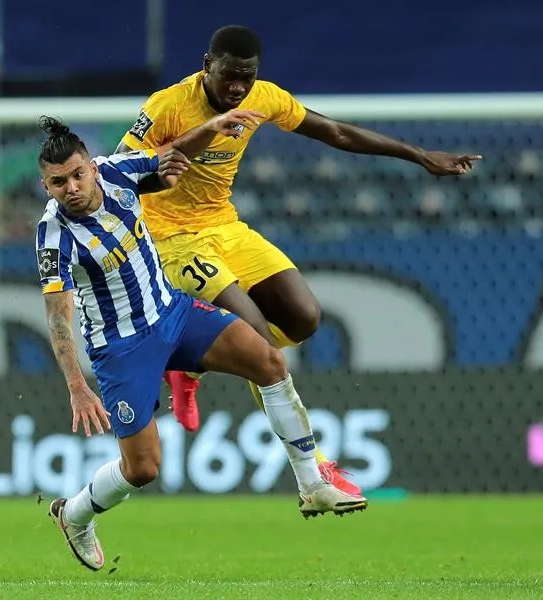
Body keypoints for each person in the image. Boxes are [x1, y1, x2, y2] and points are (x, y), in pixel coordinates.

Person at [117, 24, 481, 494]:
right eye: (228, 75)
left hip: (226, 227)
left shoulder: (262, 99)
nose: (237, 88)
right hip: (172, 238)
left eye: (246, 77)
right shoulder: (167, 106)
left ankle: (188, 364)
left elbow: (333, 131)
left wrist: (418, 155)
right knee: (257, 341)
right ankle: (314, 471)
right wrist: (188, 146)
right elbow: (120, 175)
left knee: (304, 319)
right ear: (207, 66)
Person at [35, 116, 366, 572]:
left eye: (76, 175)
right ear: (45, 185)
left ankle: (311, 482)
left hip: (174, 313)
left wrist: (216, 124)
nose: (71, 188)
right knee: (143, 468)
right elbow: (58, 316)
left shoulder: (116, 170)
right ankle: (74, 515)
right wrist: (76, 384)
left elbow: (174, 154)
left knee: (268, 360)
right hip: (122, 347)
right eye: (58, 182)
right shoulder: (53, 236)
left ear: (91, 167)